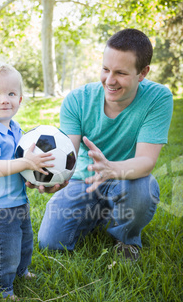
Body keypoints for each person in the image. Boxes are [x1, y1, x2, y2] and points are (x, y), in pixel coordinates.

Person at [36, 28, 173, 261]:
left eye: (120, 73)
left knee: (144, 189)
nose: (109, 80)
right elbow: (68, 154)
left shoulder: (158, 98)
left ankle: (127, 240)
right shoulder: (78, 100)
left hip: (128, 179)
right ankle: (104, 214)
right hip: (84, 179)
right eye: (105, 69)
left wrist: (111, 170)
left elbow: (146, 161)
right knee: (51, 243)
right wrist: (56, 178)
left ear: (143, 73)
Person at [0, 60, 54, 300]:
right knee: (6, 249)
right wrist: (27, 163)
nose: (4, 99)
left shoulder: (15, 128)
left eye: (11, 93)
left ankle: (20, 271)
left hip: (17, 201)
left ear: (20, 99)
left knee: (25, 242)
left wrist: (37, 168)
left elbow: (24, 155)